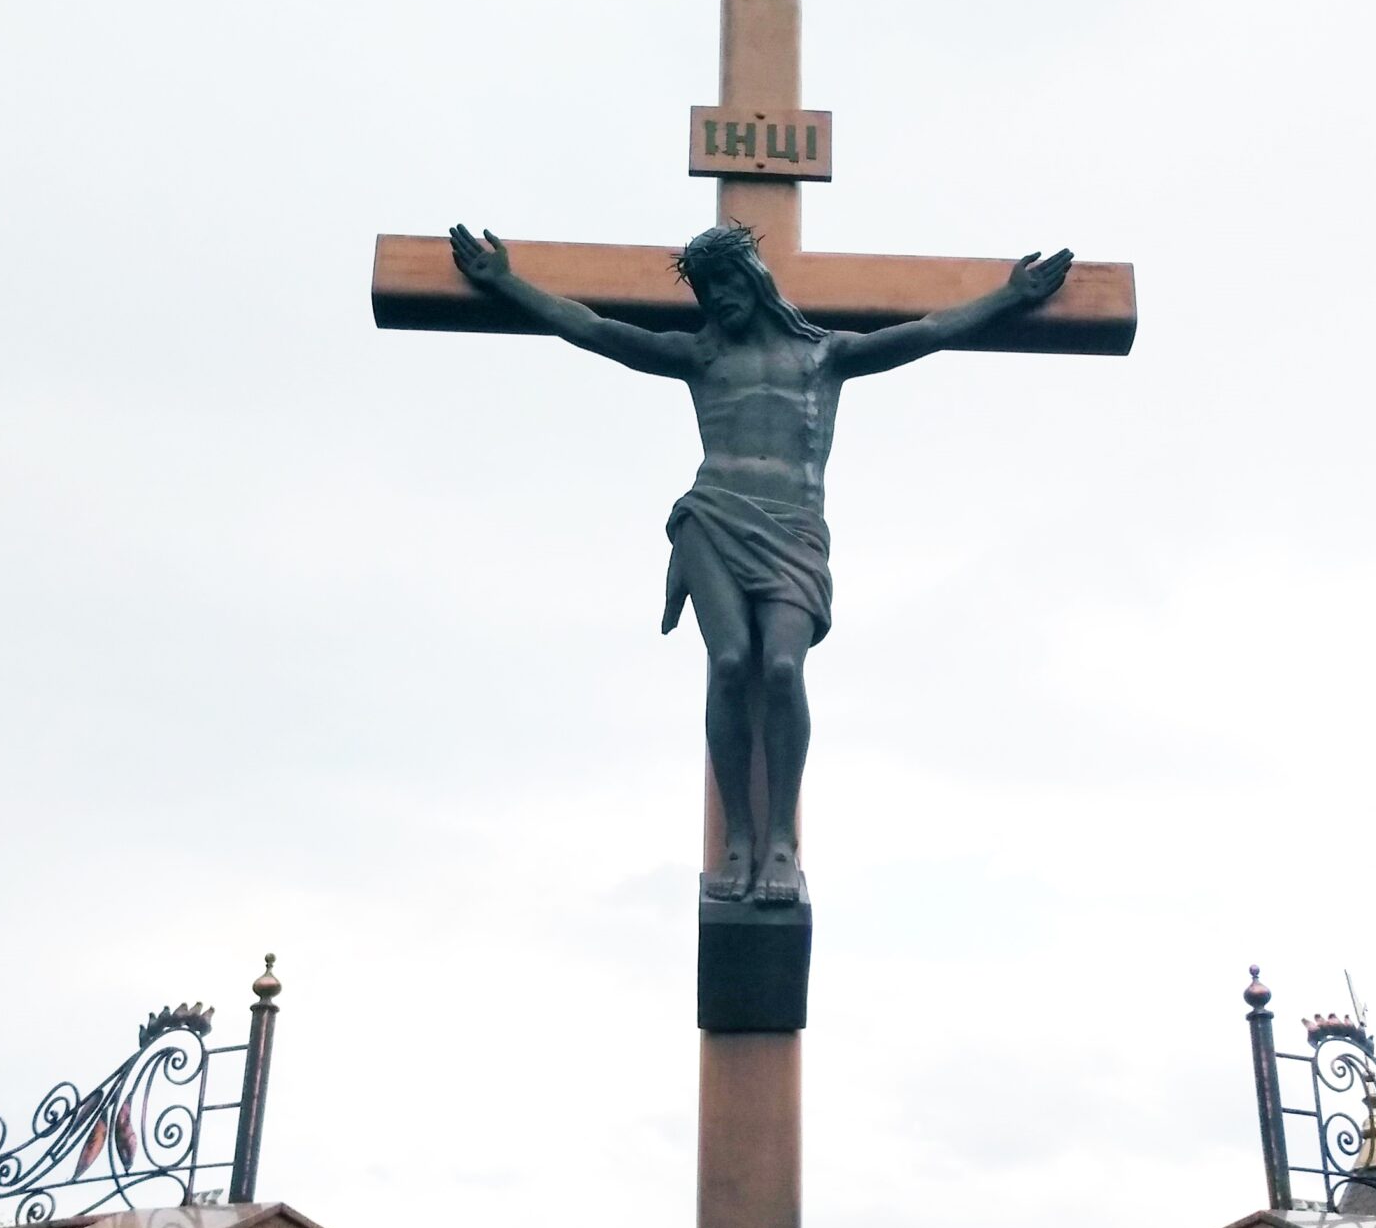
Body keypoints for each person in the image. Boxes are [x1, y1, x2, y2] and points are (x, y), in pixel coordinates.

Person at [448, 220, 1070, 905]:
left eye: (727, 283)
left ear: (754, 280)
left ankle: (780, 839)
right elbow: (595, 330)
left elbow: (928, 331)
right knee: (730, 663)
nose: (719, 299)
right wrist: (506, 285)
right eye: (707, 290)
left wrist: (1009, 297)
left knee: (780, 667)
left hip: (793, 530)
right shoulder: (700, 357)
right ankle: (739, 838)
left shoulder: (824, 355)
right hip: (713, 518)